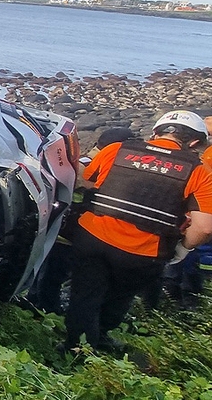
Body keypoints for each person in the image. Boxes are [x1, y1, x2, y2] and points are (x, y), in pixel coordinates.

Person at [64, 110, 212, 351]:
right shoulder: (199, 172)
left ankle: (75, 347)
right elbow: (205, 227)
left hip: (94, 236)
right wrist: (183, 249)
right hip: (142, 251)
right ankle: (100, 337)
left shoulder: (117, 149)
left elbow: (84, 178)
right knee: (120, 295)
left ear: (156, 132)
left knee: (85, 293)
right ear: (194, 142)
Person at [31, 126, 134, 315]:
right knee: (55, 272)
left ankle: (41, 303)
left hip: (60, 227)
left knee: (49, 268)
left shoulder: (79, 161)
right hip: (68, 230)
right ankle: (44, 306)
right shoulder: (91, 167)